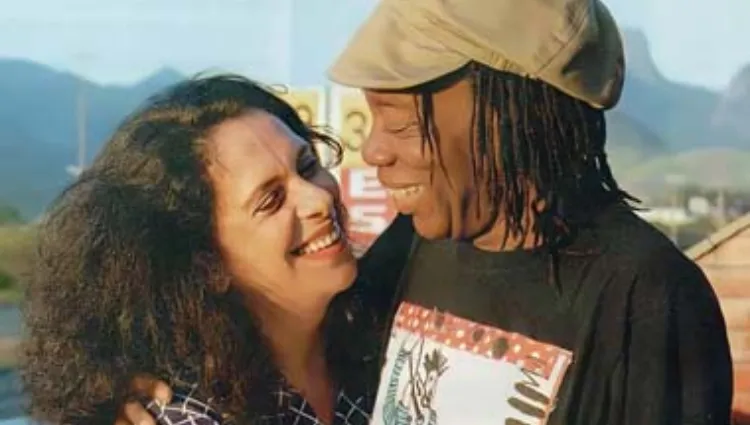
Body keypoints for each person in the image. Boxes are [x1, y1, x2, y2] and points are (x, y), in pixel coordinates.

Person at [115, 0, 733, 424]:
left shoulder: (645, 296)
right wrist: (119, 374)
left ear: (502, 117)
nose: (373, 150)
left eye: (401, 121)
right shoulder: (416, 243)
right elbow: (277, 326)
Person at [20, 74, 415, 425]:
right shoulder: (186, 412)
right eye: (271, 200)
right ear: (207, 263)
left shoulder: (384, 337)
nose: (319, 199)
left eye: (307, 165)